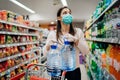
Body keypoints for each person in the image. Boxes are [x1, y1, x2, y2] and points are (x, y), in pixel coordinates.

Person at [43, 6, 89, 80]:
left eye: (69, 13)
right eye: (65, 13)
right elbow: (45, 54)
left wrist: (76, 41)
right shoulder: (52, 34)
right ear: (59, 18)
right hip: (57, 71)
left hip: (74, 71)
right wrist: (47, 46)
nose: (68, 15)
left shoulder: (78, 32)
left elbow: (86, 51)